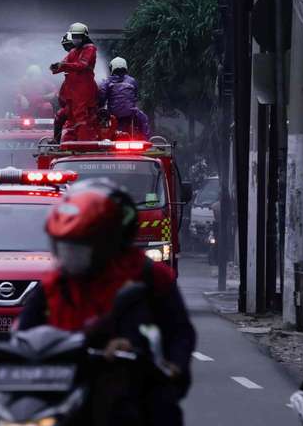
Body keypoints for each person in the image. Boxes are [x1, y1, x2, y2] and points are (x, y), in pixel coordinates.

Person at [17, 179, 196, 426]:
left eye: (78, 247)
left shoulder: (148, 276)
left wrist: (172, 365)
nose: (68, 257)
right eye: (63, 247)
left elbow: (180, 332)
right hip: (62, 387)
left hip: (130, 391)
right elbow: (25, 329)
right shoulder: (55, 282)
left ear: (107, 241)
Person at [51, 22, 99, 141]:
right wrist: (57, 67)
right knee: (62, 116)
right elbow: (65, 63)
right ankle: (57, 140)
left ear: (84, 36)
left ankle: (83, 144)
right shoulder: (74, 51)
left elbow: (82, 65)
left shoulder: (90, 49)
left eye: (78, 36)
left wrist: (63, 66)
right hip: (72, 94)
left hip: (83, 92)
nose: (76, 39)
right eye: (74, 36)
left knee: (80, 118)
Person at [98, 57, 151, 139]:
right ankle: (145, 139)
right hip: (130, 112)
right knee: (144, 118)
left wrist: (100, 106)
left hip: (113, 113)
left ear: (112, 68)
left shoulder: (107, 82)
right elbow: (135, 96)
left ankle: (102, 138)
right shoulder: (132, 81)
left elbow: (102, 96)